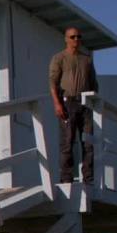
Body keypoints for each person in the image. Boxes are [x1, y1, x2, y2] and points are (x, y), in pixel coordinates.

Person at [49, 26, 99, 184]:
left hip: (85, 104)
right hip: (67, 102)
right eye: (72, 37)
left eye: (78, 36)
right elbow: (53, 83)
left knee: (88, 142)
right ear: (66, 39)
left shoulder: (87, 59)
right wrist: (57, 103)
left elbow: (94, 84)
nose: (76, 39)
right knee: (67, 142)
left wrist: (94, 104)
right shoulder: (59, 58)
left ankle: (88, 178)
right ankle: (66, 178)